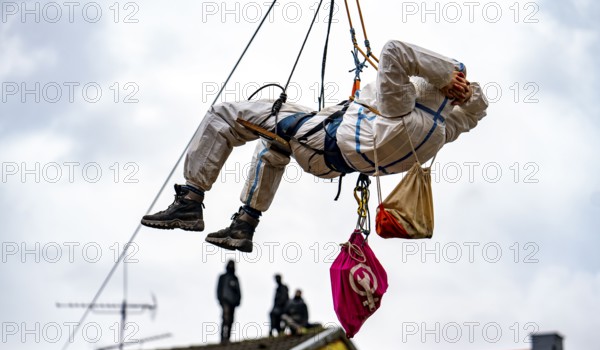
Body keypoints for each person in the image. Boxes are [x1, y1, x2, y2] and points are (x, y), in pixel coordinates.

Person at [141, 40, 489, 252]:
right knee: (274, 143)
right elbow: (476, 112)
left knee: (224, 115)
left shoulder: (400, 110)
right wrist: (468, 92)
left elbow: (394, 51)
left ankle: (189, 200)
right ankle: (244, 225)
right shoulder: (441, 131)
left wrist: (447, 74)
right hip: (329, 160)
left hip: (321, 140)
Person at [216, 260, 241, 343]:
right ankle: (223, 337)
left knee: (231, 320)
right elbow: (219, 289)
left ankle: (228, 337)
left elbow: (238, 291)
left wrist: (238, 300)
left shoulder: (235, 278)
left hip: (232, 302)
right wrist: (220, 299)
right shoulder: (222, 277)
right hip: (225, 301)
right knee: (225, 319)